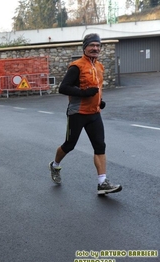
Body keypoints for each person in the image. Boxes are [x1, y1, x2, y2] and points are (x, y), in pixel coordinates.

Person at [49, 33, 122, 195]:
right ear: (85, 47)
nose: (95, 48)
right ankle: (54, 165)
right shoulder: (76, 66)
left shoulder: (99, 66)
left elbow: (96, 88)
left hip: (94, 113)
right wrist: (84, 93)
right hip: (77, 113)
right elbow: (63, 88)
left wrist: (99, 101)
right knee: (69, 145)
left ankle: (102, 183)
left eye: (98, 45)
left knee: (100, 146)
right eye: (92, 45)